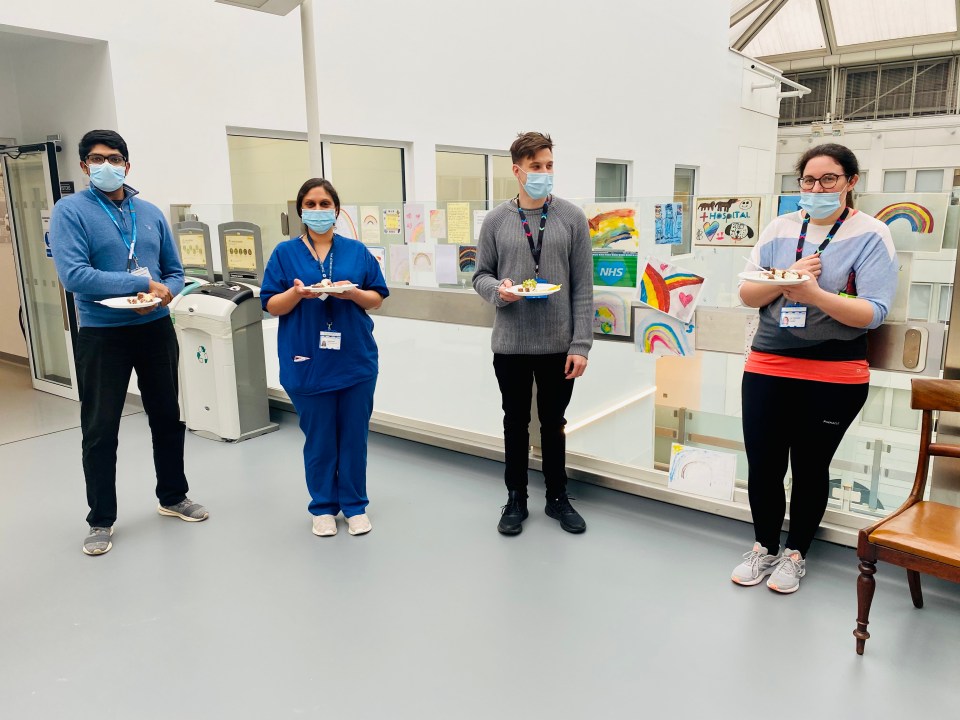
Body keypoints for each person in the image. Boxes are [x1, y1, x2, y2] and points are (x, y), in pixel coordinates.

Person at [733, 143, 898, 593]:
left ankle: (795, 553)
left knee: (810, 467)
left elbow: (874, 311)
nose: (817, 188)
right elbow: (748, 294)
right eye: (808, 180)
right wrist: (786, 275)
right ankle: (764, 545)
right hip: (768, 363)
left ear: (850, 182)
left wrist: (813, 294)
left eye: (828, 179)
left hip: (834, 372)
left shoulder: (872, 233)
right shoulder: (780, 227)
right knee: (764, 464)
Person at [49, 129, 208, 557]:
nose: (107, 165)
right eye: (97, 158)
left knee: (166, 416)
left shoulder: (150, 213)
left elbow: (174, 271)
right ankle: (101, 519)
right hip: (103, 333)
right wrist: (140, 284)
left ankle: (173, 496)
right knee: (100, 428)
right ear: (84, 166)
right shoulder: (71, 211)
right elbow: (74, 275)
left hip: (155, 327)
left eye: (115, 158)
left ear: (127, 164)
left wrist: (164, 292)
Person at [473, 132, 593, 536]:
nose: (543, 173)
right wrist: (499, 292)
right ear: (517, 170)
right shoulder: (495, 220)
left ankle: (558, 497)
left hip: (559, 345)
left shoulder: (572, 218)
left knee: (554, 422)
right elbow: (480, 275)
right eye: (536, 166)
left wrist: (581, 345)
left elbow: (583, 288)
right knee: (514, 422)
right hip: (511, 344)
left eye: (549, 165)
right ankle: (516, 496)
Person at [261, 179, 388, 537]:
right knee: (319, 439)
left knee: (353, 437)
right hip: (306, 358)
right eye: (311, 204)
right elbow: (271, 304)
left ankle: (355, 505)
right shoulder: (285, 254)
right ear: (301, 210)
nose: (318, 210)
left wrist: (352, 294)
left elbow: (376, 297)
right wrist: (298, 294)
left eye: (325, 203)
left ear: (336, 209)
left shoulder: (356, 251)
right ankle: (322, 507)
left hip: (354, 357)